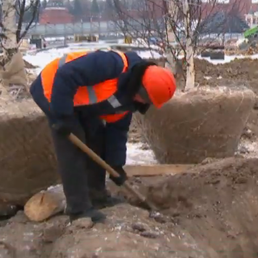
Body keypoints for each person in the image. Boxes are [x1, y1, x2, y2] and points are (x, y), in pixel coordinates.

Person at [30, 49, 177, 222]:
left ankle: (97, 196)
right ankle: (78, 209)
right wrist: (62, 116)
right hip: (53, 89)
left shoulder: (129, 99)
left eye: (147, 100)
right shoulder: (111, 64)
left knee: (96, 137)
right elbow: (65, 75)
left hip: (80, 103)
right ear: (139, 82)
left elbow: (117, 131)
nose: (142, 101)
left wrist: (116, 165)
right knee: (73, 147)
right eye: (143, 96)